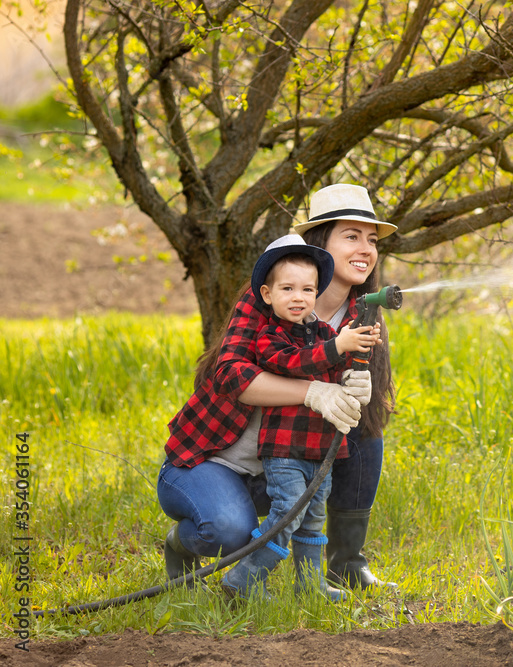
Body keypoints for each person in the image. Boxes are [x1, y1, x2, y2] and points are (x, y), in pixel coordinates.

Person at [157, 183, 398, 592]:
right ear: (321, 243)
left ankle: (345, 564)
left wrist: (356, 387)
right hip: (218, 457)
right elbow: (231, 374)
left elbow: (357, 408)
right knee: (228, 531)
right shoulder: (270, 296)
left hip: (287, 459)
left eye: (371, 240)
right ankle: (182, 545)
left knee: (366, 432)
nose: (365, 250)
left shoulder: (362, 311)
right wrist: (312, 392)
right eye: (351, 237)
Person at [219, 235, 380, 600]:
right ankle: (243, 580)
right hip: (286, 450)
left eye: (308, 289)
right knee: (287, 514)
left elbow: (335, 363)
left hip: (321, 449)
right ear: (266, 294)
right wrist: (339, 345)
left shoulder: (325, 332)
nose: (298, 297)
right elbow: (293, 363)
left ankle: (310, 585)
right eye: (288, 288)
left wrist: (355, 369)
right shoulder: (269, 336)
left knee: (313, 520)